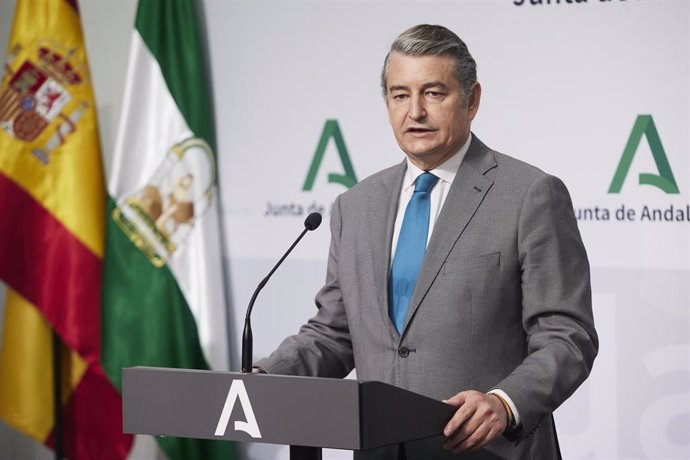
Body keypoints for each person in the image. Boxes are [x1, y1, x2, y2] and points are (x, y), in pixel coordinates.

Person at [256, 24, 598, 459]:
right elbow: (335, 333)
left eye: (433, 93)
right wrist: (261, 377)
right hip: (380, 450)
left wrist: (504, 402)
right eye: (400, 95)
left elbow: (567, 336)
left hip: (485, 451)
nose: (414, 111)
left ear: (472, 100)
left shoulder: (529, 194)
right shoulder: (354, 206)